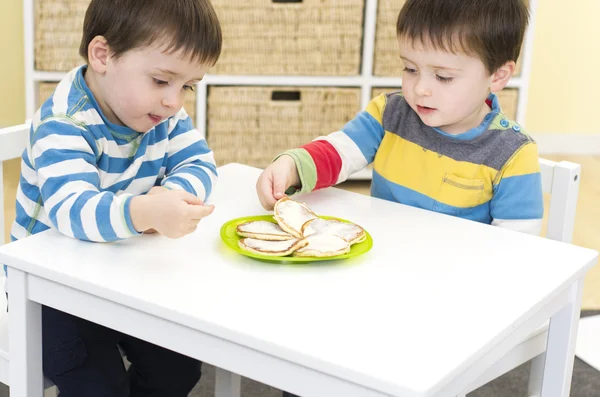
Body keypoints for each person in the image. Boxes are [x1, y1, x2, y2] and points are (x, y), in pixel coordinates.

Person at [9, 0, 222, 395]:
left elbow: (200, 162)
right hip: (48, 296)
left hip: (122, 276)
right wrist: (144, 211)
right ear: (103, 55)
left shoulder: (162, 113)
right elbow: (73, 210)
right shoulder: (65, 123)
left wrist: (174, 196)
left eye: (187, 86)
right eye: (161, 81)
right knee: (100, 385)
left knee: (180, 368)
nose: (174, 101)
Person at [258, 0, 543, 241]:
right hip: (382, 258)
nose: (420, 89)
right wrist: (292, 166)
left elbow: (516, 247)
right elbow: (339, 152)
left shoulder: (512, 155)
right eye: (410, 68)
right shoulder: (390, 114)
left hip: (454, 282)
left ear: (498, 76)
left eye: (443, 76)